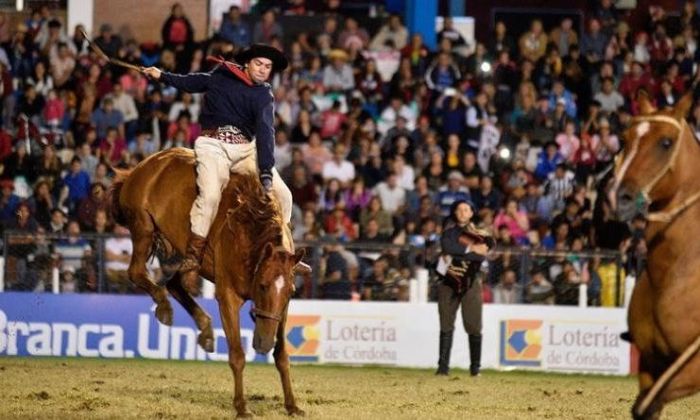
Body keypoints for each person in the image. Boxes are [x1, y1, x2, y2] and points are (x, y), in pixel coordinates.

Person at [142, 43, 293, 293]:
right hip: (213, 145)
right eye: (259, 64)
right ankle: (193, 254)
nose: (263, 70)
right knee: (210, 195)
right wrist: (162, 75)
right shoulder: (221, 76)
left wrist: (265, 171)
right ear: (247, 63)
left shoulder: (264, 93)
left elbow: (266, 132)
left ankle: (283, 254)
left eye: (268, 67)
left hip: (245, 148)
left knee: (284, 195)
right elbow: (193, 82)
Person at [436, 200, 493, 376]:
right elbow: (447, 247)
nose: (462, 212)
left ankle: (475, 368)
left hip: (471, 281)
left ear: (471, 213)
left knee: (474, 324)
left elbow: (481, 255)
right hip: (450, 280)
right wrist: (471, 248)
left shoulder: (481, 233)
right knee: (446, 323)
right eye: (459, 209)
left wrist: (460, 252)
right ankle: (443, 367)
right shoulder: (449, 233)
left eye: (466, 209)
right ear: (454, 213)